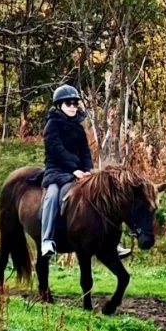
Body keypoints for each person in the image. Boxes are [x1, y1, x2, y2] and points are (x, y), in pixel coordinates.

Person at [40, 85, 131, 260]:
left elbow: (85, 153)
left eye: (75, 103)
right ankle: (47, 240)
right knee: (52, 196)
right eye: (69, 103)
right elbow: (57, 150)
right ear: (60, 105)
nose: (73, 106)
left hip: (79, 172)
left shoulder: (78, 128)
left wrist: (88, 170)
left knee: (101, 196)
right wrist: (75, 169)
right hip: (56, 172)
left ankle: (112, 242)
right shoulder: (52, 126)